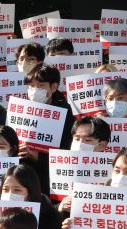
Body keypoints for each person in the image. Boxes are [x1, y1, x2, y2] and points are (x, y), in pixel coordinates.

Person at [23, 63, 76, 194]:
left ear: (54, 87)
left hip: (49, 180)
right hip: (24, 175)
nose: (34, 90)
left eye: (41, 86)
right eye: (31, 86)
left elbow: (67, 150)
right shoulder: (20, 109)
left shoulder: (65, 113)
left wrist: (38, 157)